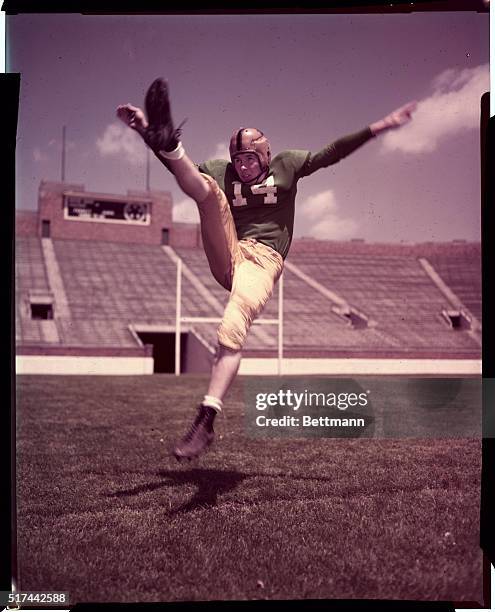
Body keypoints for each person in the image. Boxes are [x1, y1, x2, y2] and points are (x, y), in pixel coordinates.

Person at [117, 78, 416, 461]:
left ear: (264, 156)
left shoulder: (287, 166)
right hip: (228, 251)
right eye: (238, 160)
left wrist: (381, 126)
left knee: (231, 327)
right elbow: (183, 174)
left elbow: (331, 153)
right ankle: (170, 138)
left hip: (263, 262)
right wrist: (148, 133)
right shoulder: (222, 171)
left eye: (249, 159)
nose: (242, 167)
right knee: (208, 192)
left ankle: (206, 420)